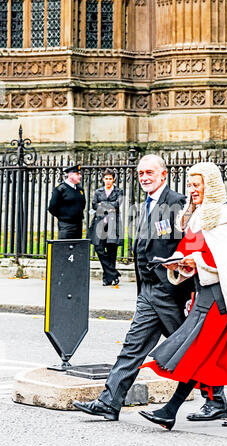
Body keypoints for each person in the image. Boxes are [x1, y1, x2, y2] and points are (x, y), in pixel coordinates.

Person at [73, 154, 205, 420]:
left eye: (150, 173)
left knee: (190, 348)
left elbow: (189, 246)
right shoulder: (146, 203)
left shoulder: (177, 203)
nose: (144, 177)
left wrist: (190, 292)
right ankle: (109, 403)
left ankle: (221, 398)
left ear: (163, 175)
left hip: (170, 292)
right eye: (141, 173)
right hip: (148, 290)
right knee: (132, 347)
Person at [138, 161, 227, 430]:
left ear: (212, 186)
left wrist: (197, 263)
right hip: (205, 296)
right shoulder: (197, 217)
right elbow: (190, 251)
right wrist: (178, 264)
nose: (192, 189)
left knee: (195, 353)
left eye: (197, 184)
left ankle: (169, 410)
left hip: (222, 299)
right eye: (190, 184)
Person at [88, 169, 123, 286]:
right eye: (106, 178)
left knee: (112, 250)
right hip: (100, 224)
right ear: (103, 179)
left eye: (110, 178)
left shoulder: (119, 191)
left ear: (113, 179)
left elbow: (118, 204)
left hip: (113, 224)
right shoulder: (98, 191)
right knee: (99, 248)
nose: (108, 181)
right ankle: (113, 274)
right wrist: (109, 206)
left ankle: (107, 278)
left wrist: (101, 204)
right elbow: (94, 204)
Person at [48, 164, 86, 239]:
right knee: (64, 247)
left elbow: (83, 204)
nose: (80, 176)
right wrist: (63, 217)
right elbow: (52, 207)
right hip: (66, 225)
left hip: (78, 224)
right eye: (77, 174)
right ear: (70, 175)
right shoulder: (60, 189)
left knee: (77, 247)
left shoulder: (80, 189)